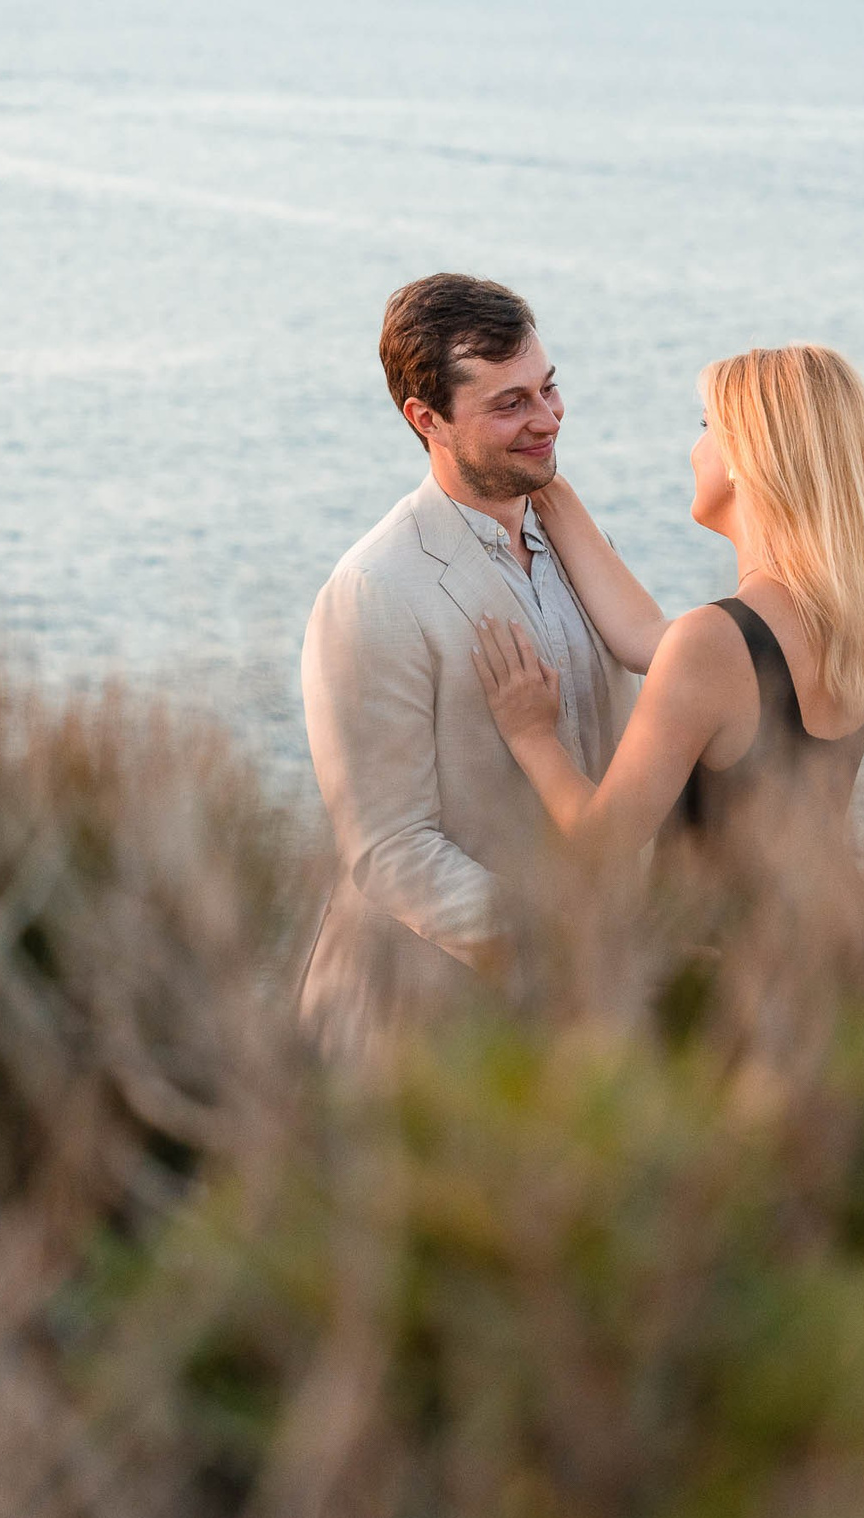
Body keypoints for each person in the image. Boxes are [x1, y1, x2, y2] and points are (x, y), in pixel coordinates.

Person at [297, 274, 635, 1055]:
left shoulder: (587, 550)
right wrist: (555, 954)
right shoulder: (374, 590)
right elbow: (390, 849)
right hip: (425, 1027)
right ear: (428, 419)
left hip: (583, 1023)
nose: (546, 419)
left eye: (548, 388)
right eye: (510, 403)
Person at [469, 343, 864, 875]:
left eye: (707, 426)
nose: (696, 449)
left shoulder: (715, 642)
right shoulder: (851, 623)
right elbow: (641, 636)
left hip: (720, 932)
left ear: (745, 459)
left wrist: (532, 735)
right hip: (826, 925)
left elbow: (601, 844)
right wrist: (541, 483)